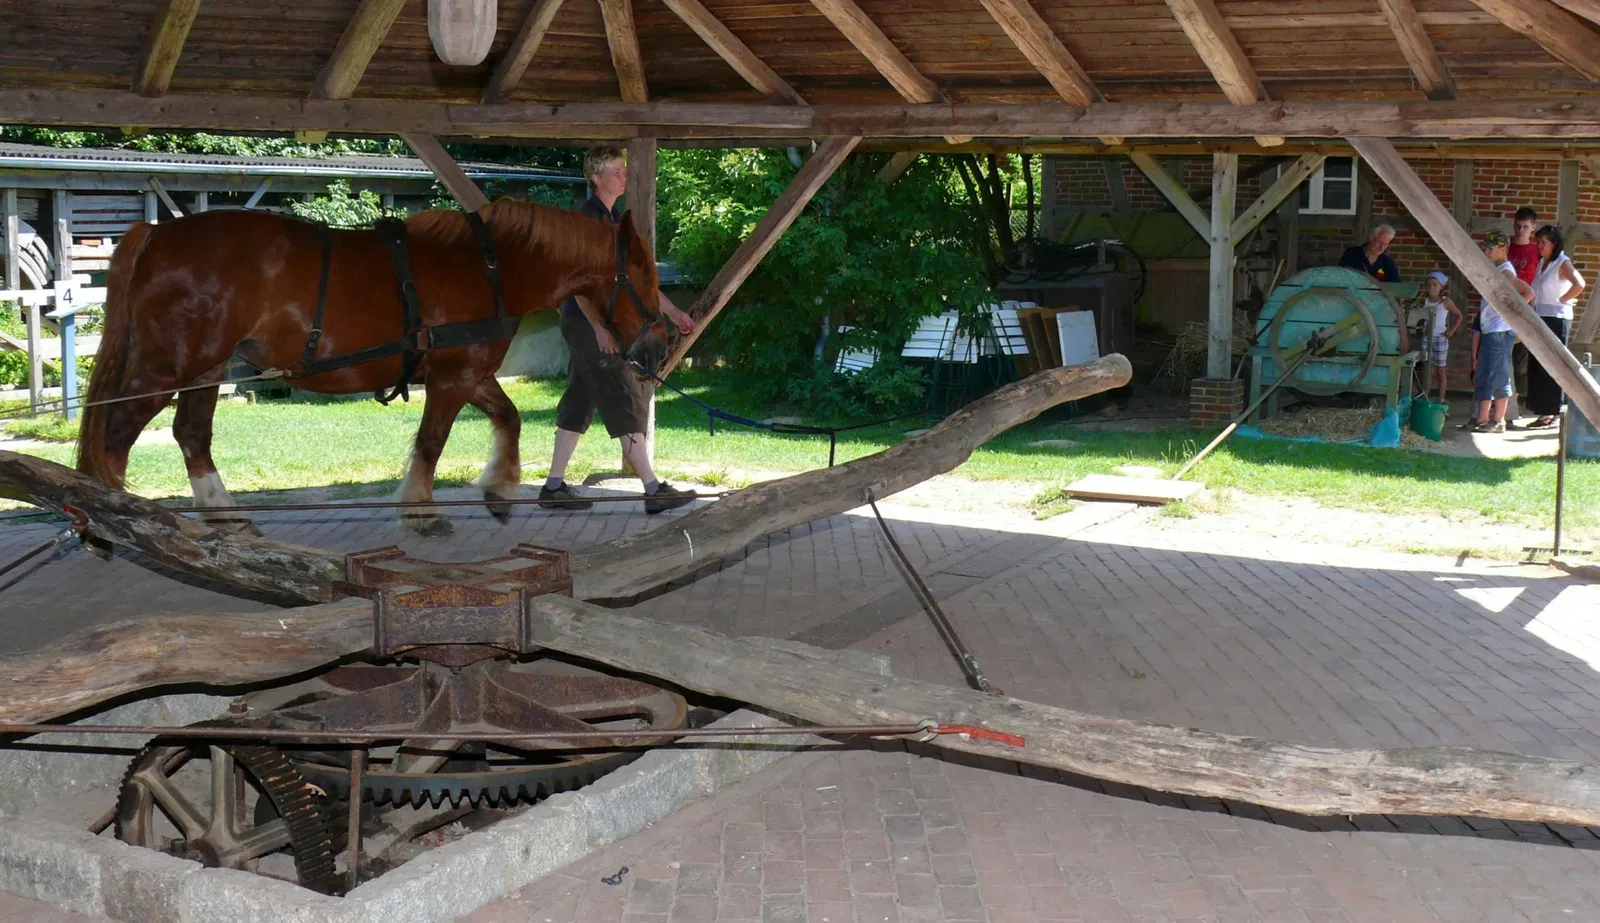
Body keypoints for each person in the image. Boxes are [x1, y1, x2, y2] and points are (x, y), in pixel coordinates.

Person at [538, 145, 698, 514]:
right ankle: (653, 489)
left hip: (596, 326)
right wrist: (598, 328)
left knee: (579, 399)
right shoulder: (587, 220)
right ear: (596, 177)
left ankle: (553, 487)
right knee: (621, 395)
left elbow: (633, 286)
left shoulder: (612, 219)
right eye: (616, 170)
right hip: (586, 325)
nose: (624, 176)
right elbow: (576, 283)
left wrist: (672, 312)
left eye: (624, 170)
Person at [1470, 230, 1535, 434]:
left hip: (1499, 331)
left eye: (1491, 247)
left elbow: (1529, 293)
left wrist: (1510, 314)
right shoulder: (1496, 270)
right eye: (1486, 247)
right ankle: (1481, 419)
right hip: (1491, 330)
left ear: (1503, 249)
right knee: (1483, 374)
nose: (1487, 250)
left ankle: (1498, 421)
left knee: (1499, 375)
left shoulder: (1506, 272)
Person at [1523, 224, 1586, 429]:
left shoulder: (1562, 262)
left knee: (1553, 365)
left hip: (1556, 319)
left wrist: (1563, 299)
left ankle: (1553, 412)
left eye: (1543, 242)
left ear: (1554, 243)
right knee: (1539, 365)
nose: (1539, 245)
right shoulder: (1543, 263)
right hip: (1540, 317)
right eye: (1538, 241)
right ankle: (1543, 411)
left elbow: (1580, 284)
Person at [1419, 270, 1462, 403]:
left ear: (1441, 287)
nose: (1432, 287)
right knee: (1428, 371)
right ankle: (1425, 397)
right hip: (1427, 337)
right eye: (1429, 285)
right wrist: (1421, 329)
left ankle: (1441, 399)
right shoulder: (1423, 301)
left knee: (1440, 371)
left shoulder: (1445, 302)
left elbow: (1460, 316)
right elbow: (1418, 319)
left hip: (1440, 338)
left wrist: (1451, 331)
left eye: (1435, 285)